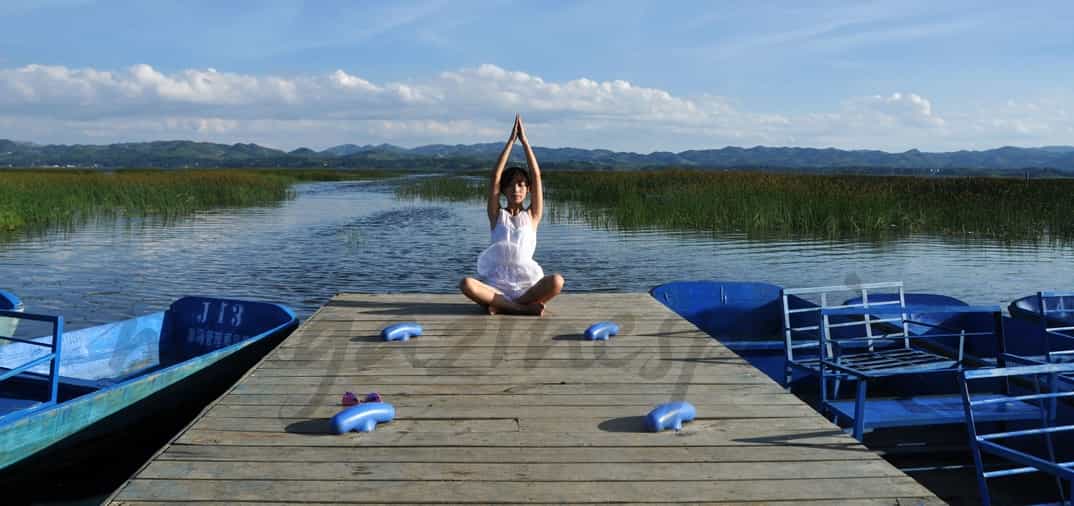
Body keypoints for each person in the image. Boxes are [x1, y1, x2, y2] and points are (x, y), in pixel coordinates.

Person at [459, 114, 564, 316]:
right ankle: (520, 309)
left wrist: (524, 142)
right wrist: (509, 142)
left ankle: (503, 306)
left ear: (527, 189)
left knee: (557, 282)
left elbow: (537, 176)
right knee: (466, 284)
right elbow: (495, 177)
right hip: (496, 285)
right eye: (510, 185)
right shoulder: (496, 215)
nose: (516, 189)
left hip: (527, 286)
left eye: (521, 184)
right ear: (504, 190)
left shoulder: (533, 215)